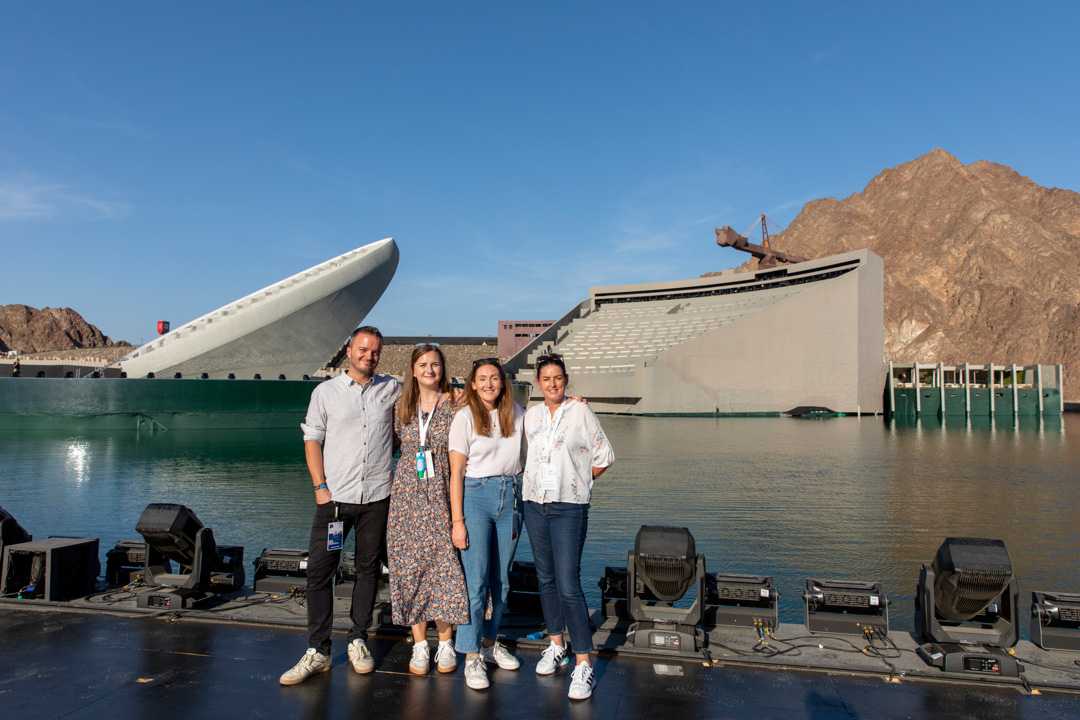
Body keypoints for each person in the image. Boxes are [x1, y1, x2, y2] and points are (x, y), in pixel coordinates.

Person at [281, 326, 399, 686]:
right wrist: (320, 487)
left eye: (375, 351)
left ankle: (358, 638)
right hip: (335, 500)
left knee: (367, 569)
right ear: (349, 350)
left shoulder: (391, 389)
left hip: (376, 497)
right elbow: (312, 440)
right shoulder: (325, 393)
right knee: (320, 572)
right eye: (363, 349)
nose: (369, 356)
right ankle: (318, 649)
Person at [522, 353, 614, 701]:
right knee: (545, 579)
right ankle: (556, 644)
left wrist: (580, 481)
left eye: (558, 378)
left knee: (568, 583)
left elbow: (604, 456)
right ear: (538, 383)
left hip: (568, 507)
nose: (553, 384)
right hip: (534, 503)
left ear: (566, 380)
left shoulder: (581, 412)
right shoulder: (531, 416)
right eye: (546, 379)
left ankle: (583, 661)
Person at [387, 344, 469, 676]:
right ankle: (420, 644)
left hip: (442, 491)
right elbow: (394, 444)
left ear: (443, 368)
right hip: (406, 496)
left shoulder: (457, 403)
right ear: (413, 369)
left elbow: (498, 402)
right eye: (422, 365)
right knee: (409, 567)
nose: (429, 370)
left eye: (434, 364)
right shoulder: (401, 406)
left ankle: (446, 641)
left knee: (444, 565)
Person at [448, 357, 525, 691]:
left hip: (511, 496)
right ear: (473, 384)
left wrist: (573, 401)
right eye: (483, 378)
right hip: (476, 496)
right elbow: (456, 474)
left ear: (502, 382)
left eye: (495, 377)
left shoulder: (517, 413)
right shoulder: (465, 417)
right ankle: (471, 654)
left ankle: (490, 643)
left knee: (502, 581)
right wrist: (458, 521)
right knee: (476, 581)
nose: (489, 384)